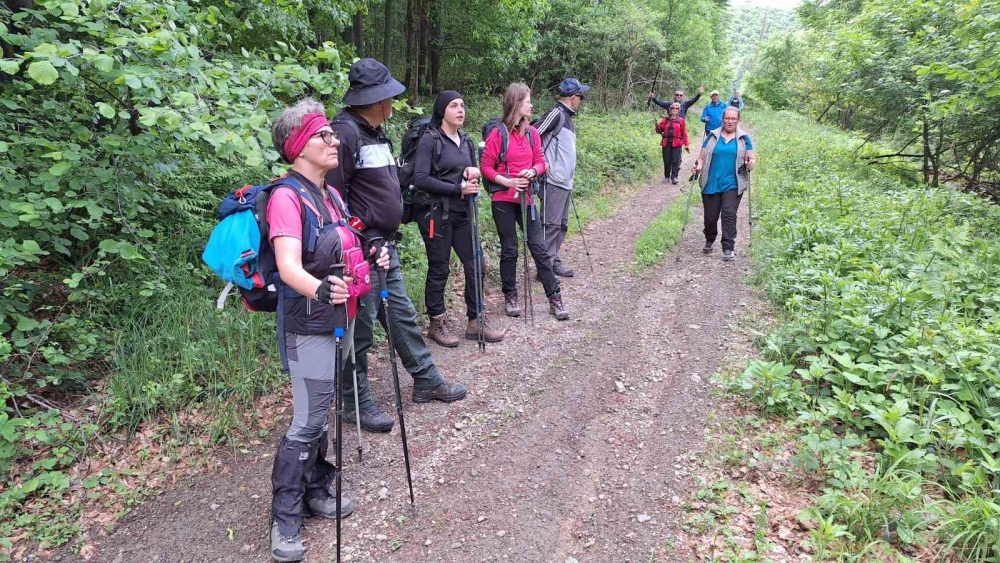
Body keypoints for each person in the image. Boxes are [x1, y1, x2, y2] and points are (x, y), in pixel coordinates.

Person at [266, 98, 391, 562]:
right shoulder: (286, 197)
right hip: (309, 324)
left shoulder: (330, 194)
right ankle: (285, 516)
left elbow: (351, 238)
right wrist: (321, 290)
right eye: (323, 135)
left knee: (320, 409)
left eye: (332, 134)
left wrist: (373, 251)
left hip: (341, 316)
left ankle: (318, 487)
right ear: (299, 146)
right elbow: (288, 267)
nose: (334, 139)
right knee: (308, 418)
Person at [327, 58, 468, 436]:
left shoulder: (375, 133)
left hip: (385, 247)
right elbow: (334, 201)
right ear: (375, 101)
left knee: (401, 316)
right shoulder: (345, 133)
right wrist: (367, 239)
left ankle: (425, 378)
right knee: (360, 330)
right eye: (388, 97)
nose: (392, 103)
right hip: (360, 253)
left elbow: (385, 185)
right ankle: (353, 402)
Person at [412, 90, 504, 346]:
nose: (460, 110)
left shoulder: (466, 141)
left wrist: (471, 173)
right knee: (439, 268)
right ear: (443, 110)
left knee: (476, 264)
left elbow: (466, 175)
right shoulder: (430, 140)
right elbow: (420, 179)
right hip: (436, 215)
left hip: (463, 213)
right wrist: (457, 188)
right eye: (454, 106)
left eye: (463, 105)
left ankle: (476, 322)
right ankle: (436, 322)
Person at [481, 83, 570, 321]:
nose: (531, 105)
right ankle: (510, 295)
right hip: (503, 199)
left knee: (539, 248)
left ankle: (555, 297)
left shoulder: (531, 134)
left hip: (527, 198)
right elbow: (486, 167)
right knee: (509, 249)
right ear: (516, 104)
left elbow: (542, 162)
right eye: (527, 101)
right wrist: (508, 182)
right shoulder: (498, 134)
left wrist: (533, 171)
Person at [535, 77, 589, 278]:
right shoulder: (556, 114)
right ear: (573, 97)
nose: (581, 100)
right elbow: (532, 134)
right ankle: (545, 269)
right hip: (552, 181)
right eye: (580, 96)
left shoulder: (568, 118)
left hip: (564, 181)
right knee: (550, 225)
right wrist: (541, 162)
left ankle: (553, 259)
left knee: (561, 225)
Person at [693, 107, 756, 262]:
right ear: (723, 119)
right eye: (727, 118)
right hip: (711, 182)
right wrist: (698, 166)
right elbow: (701, 158)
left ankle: (728, 247)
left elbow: (751, 159)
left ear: (738, 120)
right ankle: (710, 237)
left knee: (729, 214)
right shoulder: (712, 136)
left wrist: (750, 164)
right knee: (710, 217)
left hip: (733, 183)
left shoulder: (744, 138)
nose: (730, 121)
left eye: (733, 119)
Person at [655, 102, 690, 184]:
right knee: (666, 160)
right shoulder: (665, 120)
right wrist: (657, 126)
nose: (674, 110)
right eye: (673, 108)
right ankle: (666, 176)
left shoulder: (681, 121)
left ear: (678, 111)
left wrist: (686, 144)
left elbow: (684, 133)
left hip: (677, 143)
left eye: (676, 108)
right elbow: (659, 130)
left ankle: (674, 177)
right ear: (670, 110)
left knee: (675, 160)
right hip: (666, 142)